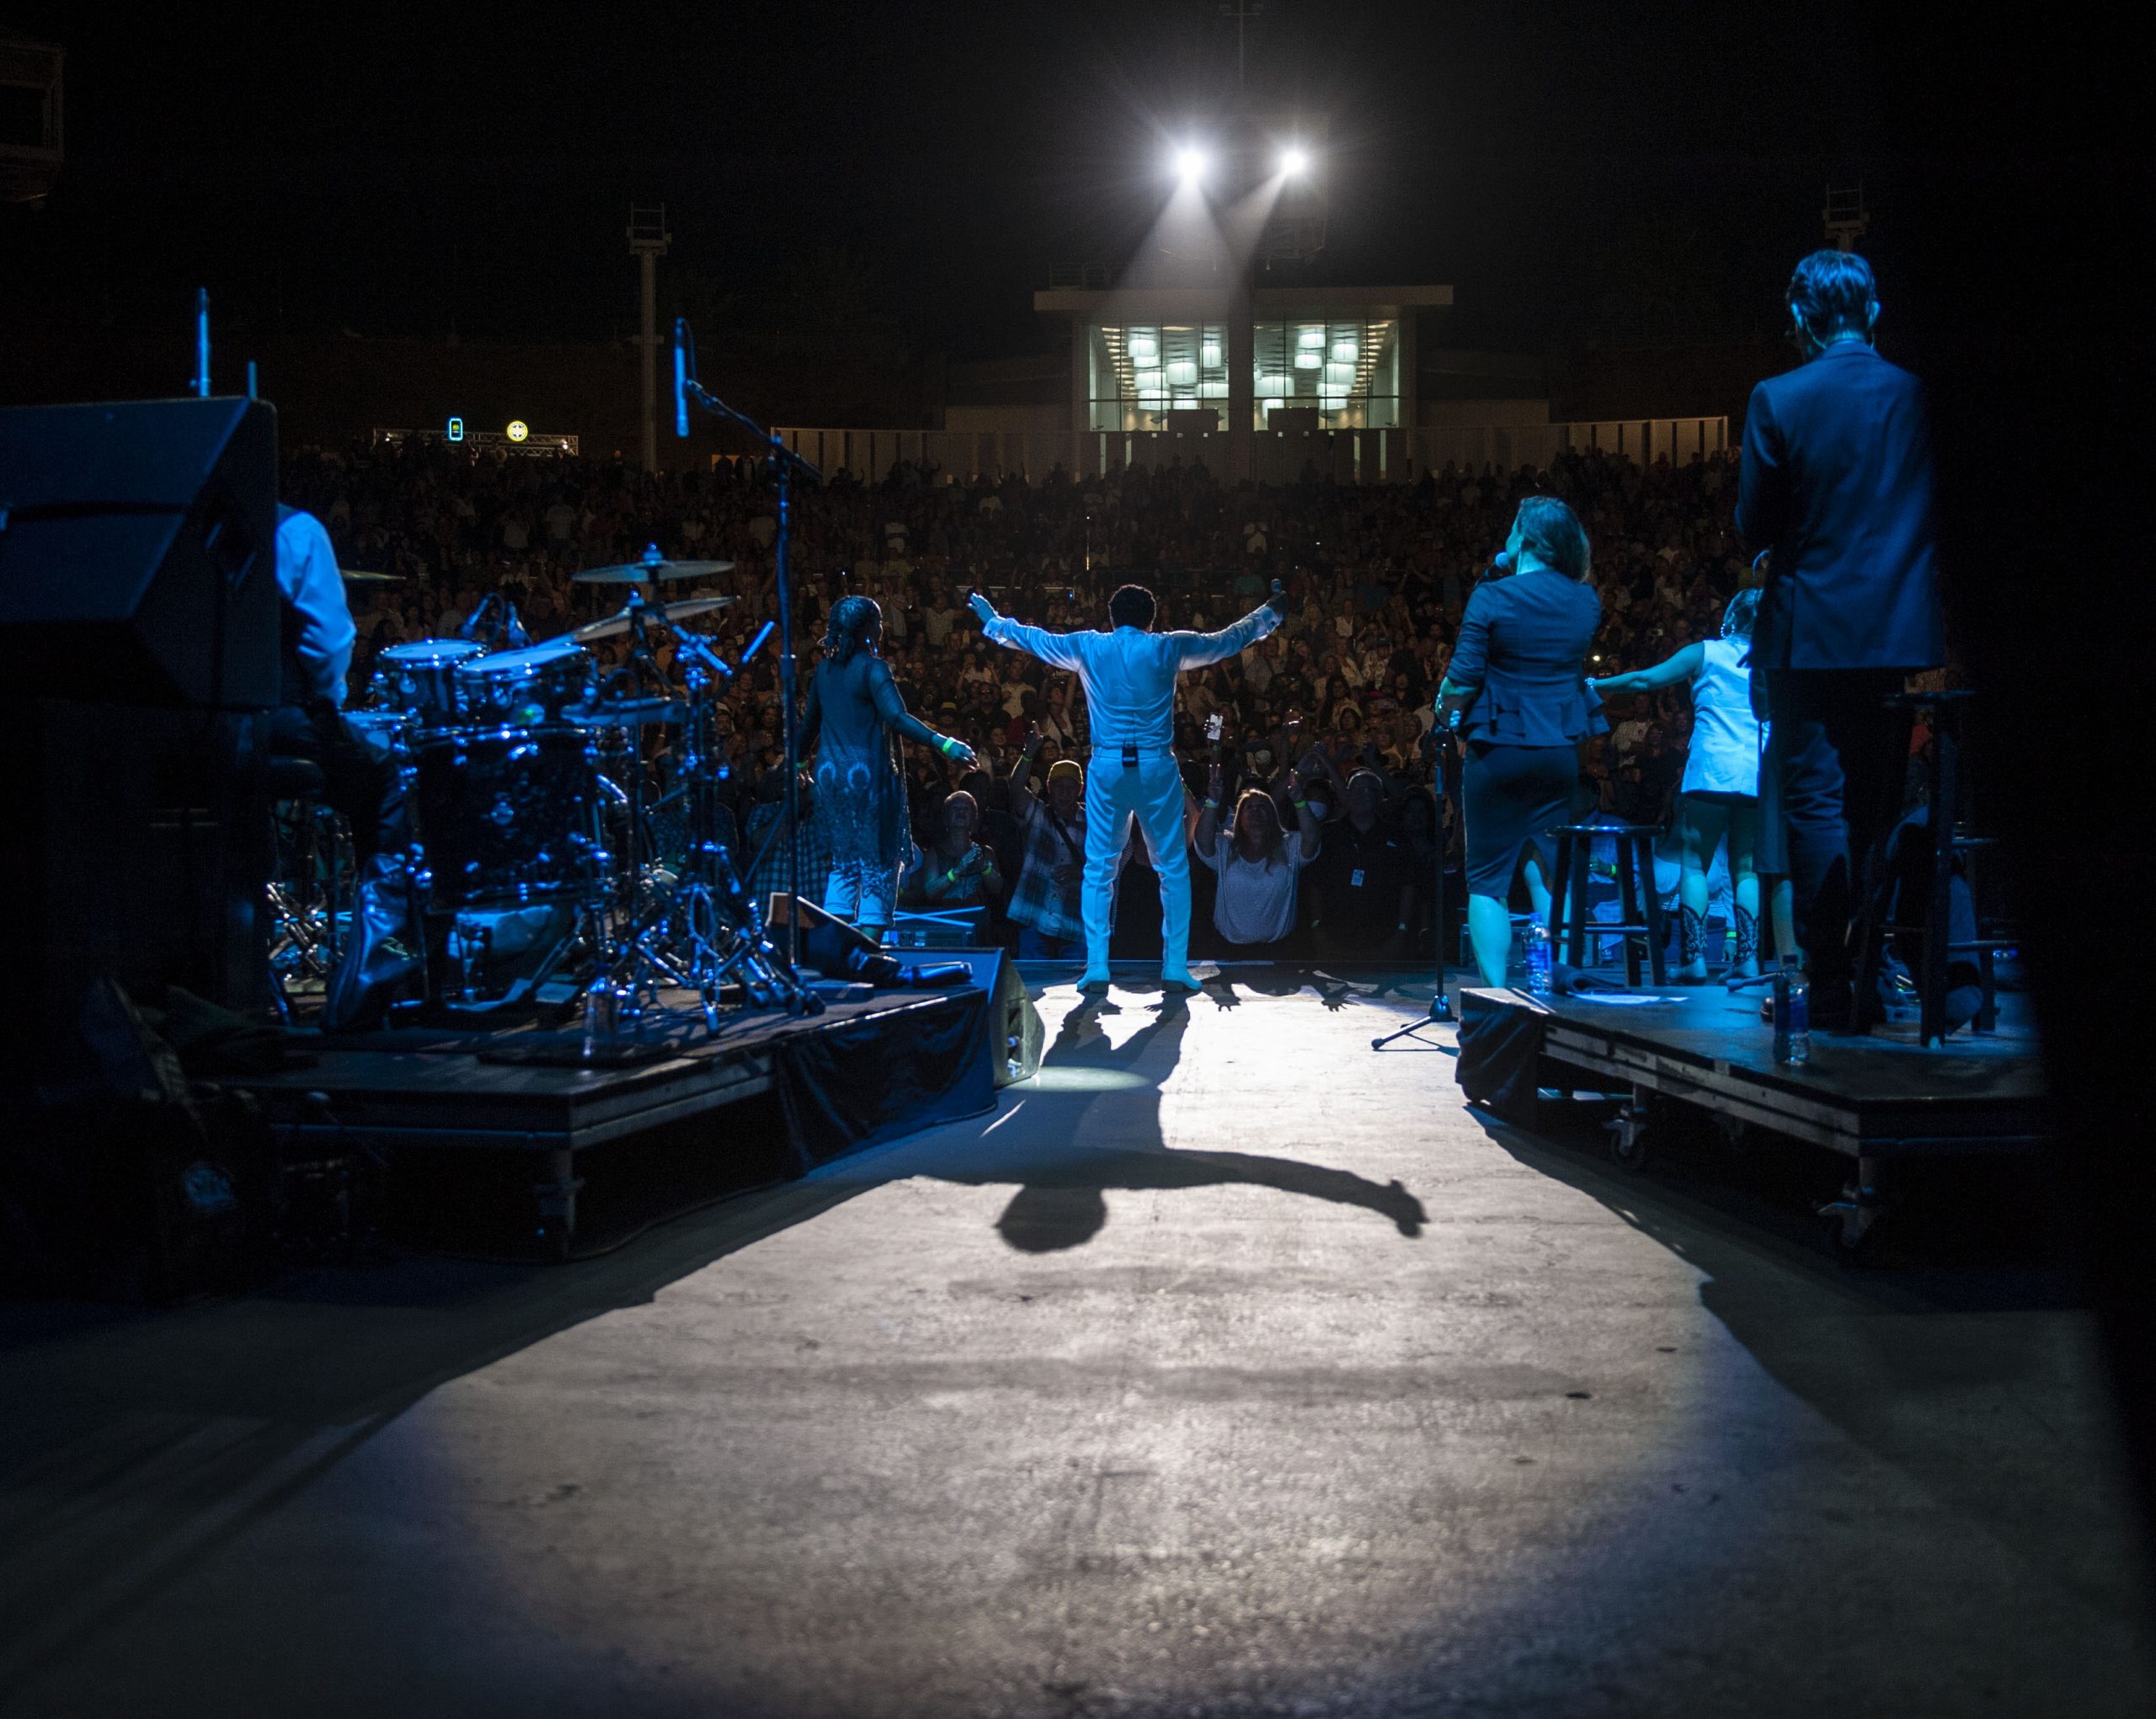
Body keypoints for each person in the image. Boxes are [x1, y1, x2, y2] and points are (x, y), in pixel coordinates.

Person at [1738, 248, 1945, 1029]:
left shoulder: (1778, 397)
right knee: (1875, 802)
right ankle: (1870, 970)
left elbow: (1754, 524)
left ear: (1801, 319)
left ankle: (1826, 979)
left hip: (1808, 631)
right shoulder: (1915, 396)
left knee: (1815, 801)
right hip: (1895, 630)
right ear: (1874, 313)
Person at [969, 579, 1287, 991]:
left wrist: (995, 622)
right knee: (1172, 869)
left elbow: (1033, 639)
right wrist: (1271, 613)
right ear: (1151, 619)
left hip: (1108, 766)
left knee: (1100, 868)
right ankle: (1174, 966)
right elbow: (1227, 639)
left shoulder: (1091, 645)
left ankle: (1097, 965)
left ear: (1112, 617)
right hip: (1155, 766)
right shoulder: (1168, 646)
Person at [1437, 496, 1606, 989]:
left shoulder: (1493, 597)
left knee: (1487, 883)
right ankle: (1551, 982)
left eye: (1512, 529)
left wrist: (1443, 717)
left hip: (1498, 749)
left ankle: (1496, 998)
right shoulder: (1585, 601)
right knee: (1544, 869)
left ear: (1528, 538)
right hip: (1558, 754)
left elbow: (1464, 679)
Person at [262, 505, 412, 1031]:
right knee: (394, 777)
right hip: (271, 714)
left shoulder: (168, 515)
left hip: (178, 728)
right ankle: (372, 984)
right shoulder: (292, 529)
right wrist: (327, 706)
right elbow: (327, 643)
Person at [1591, 589, 1767, 982]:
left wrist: (1595, 684)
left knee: (1694, 865)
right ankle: (1749, 961)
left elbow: (1644, 680)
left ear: (1731, 619)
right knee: (1746, 868)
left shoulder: (1706, 652)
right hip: (1757, 771)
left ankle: (1694, 961)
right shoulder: (1771, 660)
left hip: (1711, 772)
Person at [797, 595, 976, 936]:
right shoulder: (872, 668)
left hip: (831, 777)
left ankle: (839, 954)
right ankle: (869, 951)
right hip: (868, 776)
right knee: (880, 861)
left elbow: (808, 726)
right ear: (867, 628)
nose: (882, 628)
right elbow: (896, 716)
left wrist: (797, 761)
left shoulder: (824, 670)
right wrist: (945, 743)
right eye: (878, 622)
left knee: (845, 863)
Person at [1193, 753, 1324, 956]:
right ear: (1239, 817)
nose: (1255, 811)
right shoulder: (1226, 847)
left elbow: (1312, 838)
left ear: (1273, 815)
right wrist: (1212, 801)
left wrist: (1299, 800)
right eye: (1250, 808)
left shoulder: (1289, 846)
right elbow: (1202, 840)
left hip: (1279, 951)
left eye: (1262, 807)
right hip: (1229, 951)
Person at [1308, 769, 1416, 962]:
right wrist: (1317, 928)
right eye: (1356, 789)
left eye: (1369, 790)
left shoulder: (1397, 835)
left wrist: (1401, 930)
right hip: (1334, 934)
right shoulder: (1328, 833)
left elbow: (1407, 885)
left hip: (1383, 935)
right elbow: (1315, 883)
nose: (1362, 795)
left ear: (1381, 796)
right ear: (1346, 794)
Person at [1006, 728, 1086, 959]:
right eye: (1059, 787)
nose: (1064, 793)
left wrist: (1080, 871)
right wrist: (1028, 754)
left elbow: (1108, 865)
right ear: (1049, 788)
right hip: (1035, 916)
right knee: (1033, 988)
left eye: (1070, 787)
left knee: (1074, 990)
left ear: (1080, 790)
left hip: (1074, 922)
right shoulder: (1038, 813)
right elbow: (1015, 789)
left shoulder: (1093, 822)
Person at [902, 789, 1003, 913]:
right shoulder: (934, 854)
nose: (961, 812)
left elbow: (997, 888)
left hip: (978, 923)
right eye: (955, 808)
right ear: (946, 818)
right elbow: (930, 893)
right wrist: (957, 871)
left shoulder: (985, 852)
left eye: (966, 809)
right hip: (946, 924)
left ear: (974, 818)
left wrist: (984, 867)